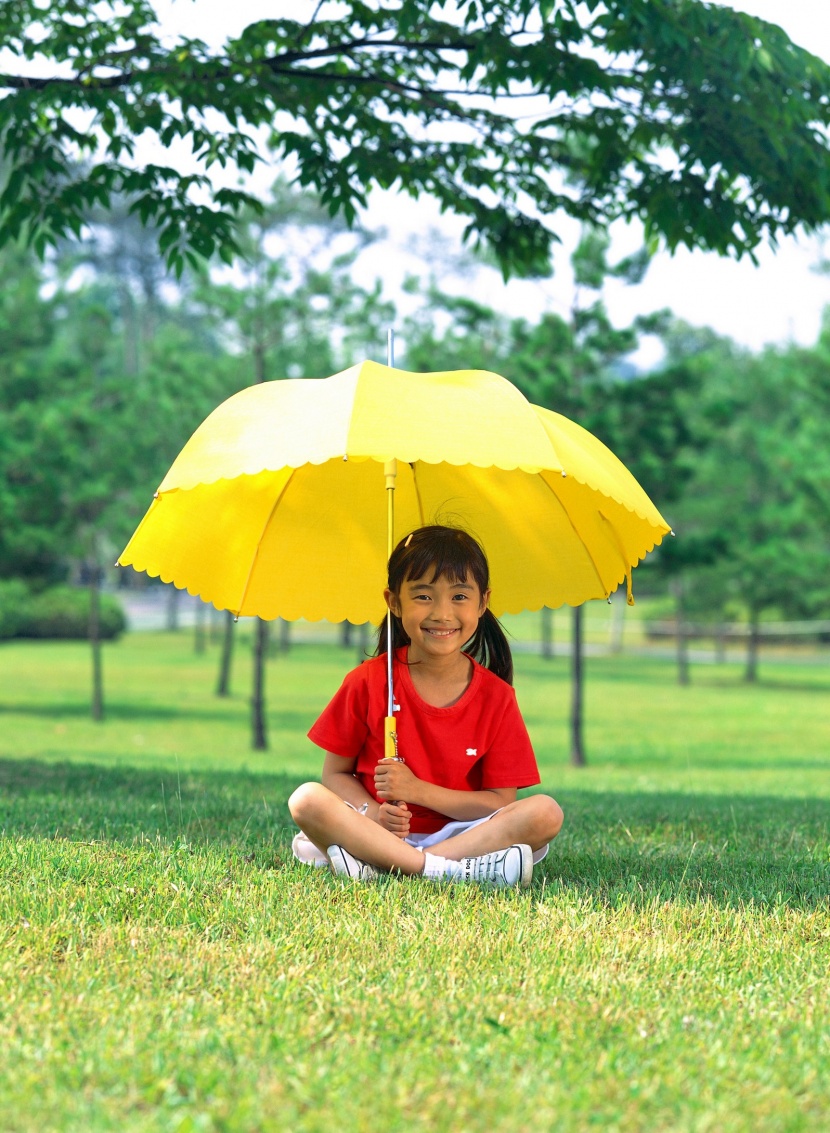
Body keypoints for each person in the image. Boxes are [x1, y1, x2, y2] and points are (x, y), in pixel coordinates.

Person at [288, 525, 563, 888]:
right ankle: (440, 871)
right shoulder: (367, 682)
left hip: (464, 838)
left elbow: (497, 804)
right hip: (376, 831)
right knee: (306, 800)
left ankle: (399, 867)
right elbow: (334, 776)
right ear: (394, 601)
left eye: (460, 597)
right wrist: (373, 815)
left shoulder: (496, 697)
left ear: (483, 602)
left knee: (545, 813)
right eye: (423, 596)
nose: (442, 613)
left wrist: (418, 791)